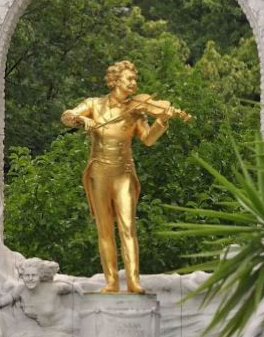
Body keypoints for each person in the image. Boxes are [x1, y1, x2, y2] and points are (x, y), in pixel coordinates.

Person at [61, 60, 188, 293]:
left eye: (134, 79)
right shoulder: (94, 104)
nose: (134, 83)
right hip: (99, 173)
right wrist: (81, 118)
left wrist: (162, 120)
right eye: (129, 79)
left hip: (124, 174)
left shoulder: (136, 111)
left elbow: (148, 139)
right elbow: (66, 116)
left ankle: (133, 281)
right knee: (104, 229)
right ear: (115, 80)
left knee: (128, 227)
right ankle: (111, 282)